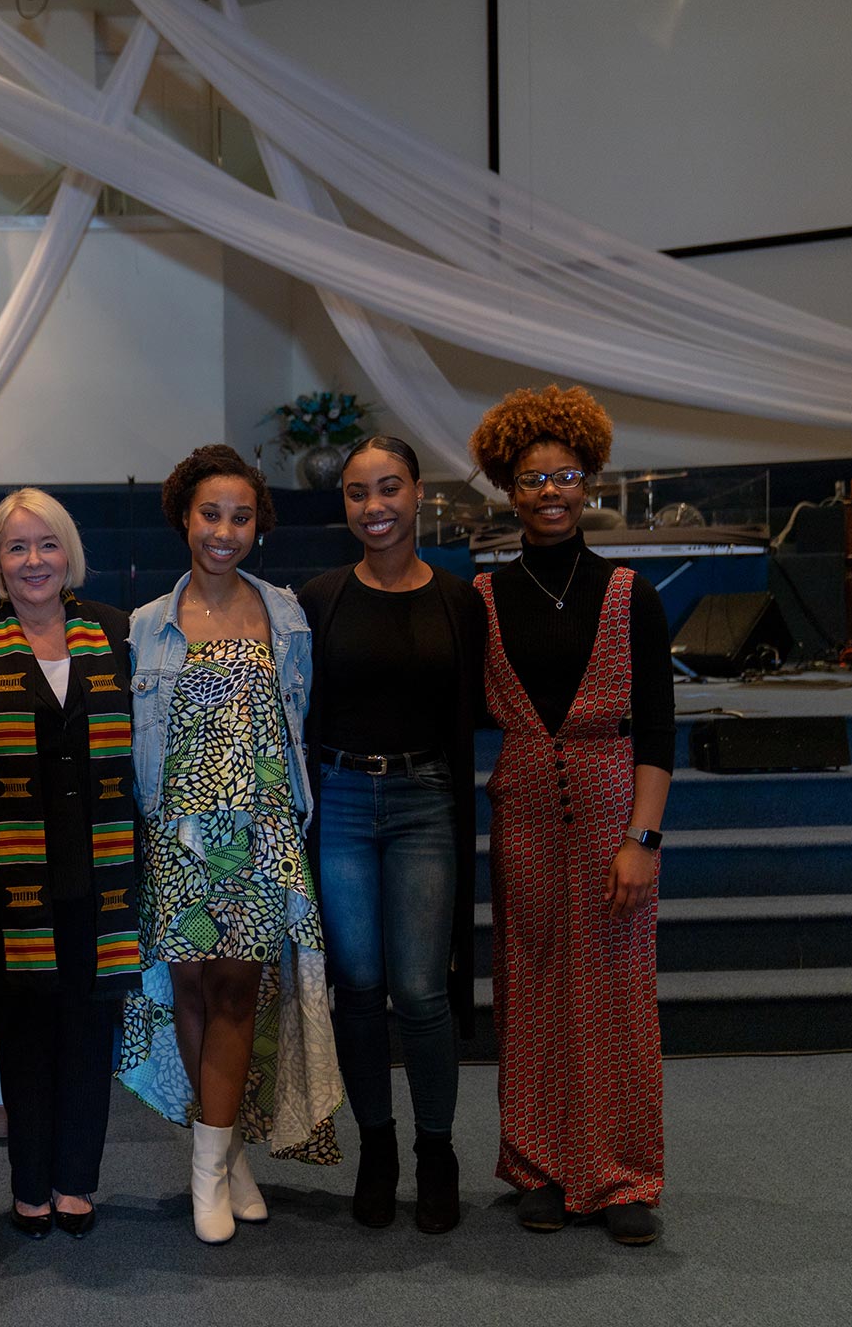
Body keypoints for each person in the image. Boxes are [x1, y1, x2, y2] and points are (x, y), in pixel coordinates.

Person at [118, 444, 341, 1246]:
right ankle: (224, 1158)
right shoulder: (146, 626)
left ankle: (210, 1168)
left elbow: (296, 728)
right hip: (180, 830)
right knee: (189, 991)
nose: (223, 530)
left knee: (240, 993)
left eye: (240, 516)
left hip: (259, 831)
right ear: (185, 515)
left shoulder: (285, 616)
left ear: (259, 526)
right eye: (210, 513)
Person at [469, 385, 674, 1246]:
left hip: (609, 811)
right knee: (530, 986)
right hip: (520, 815)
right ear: (506, 491)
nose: (549, 492)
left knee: (618, 992)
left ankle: (623, 1176)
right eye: (530, 479)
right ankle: (541, 1166)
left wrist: (643, 839)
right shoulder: (482, 597)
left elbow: (660, 729)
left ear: (588, 482)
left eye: (564, 476)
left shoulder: (633, 592)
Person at [0, 488, 137, 1242]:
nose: (33, 561)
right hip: (8, 877)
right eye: (16, 548)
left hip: (101, 866)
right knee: (22, 1032)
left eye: (46, 545)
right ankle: (29, 1185)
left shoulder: (115, 633)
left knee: (89, 1026)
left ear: (69, 554)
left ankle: (77, 1182)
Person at [297, 437, 485, 1235]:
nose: (374, 507)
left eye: (389, 489)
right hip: (339, 798)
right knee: (360, 983)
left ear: (417, 495)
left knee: (420, 988)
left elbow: (473, 711)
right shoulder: (319, 597)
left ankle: (435, 1150)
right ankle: (378, 1147)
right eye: (356, 493)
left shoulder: (459, 601)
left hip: (423, 802)